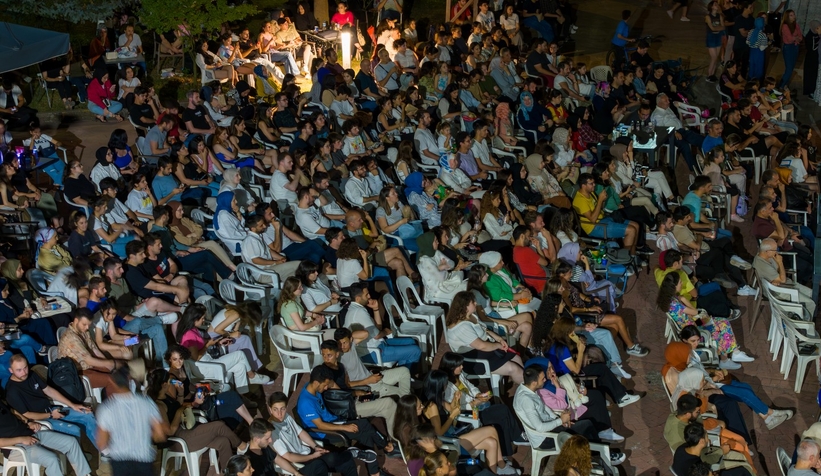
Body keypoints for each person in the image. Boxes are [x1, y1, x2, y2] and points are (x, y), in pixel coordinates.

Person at [513, 366, 627, 465]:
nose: (545, 380)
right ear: (534, 382)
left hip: (551, 427)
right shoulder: (526, 400)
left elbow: (544, 408)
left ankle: (599, 455)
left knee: (584, 426)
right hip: (545, 439)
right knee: (586, 425)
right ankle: (602, 456)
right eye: (542, 379)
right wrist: (560, 421)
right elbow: (540, 428)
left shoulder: (527, 388)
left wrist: (560, 420)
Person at [146, 368, 246, 472]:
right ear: (164, 385)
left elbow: (177, 406)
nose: (171, 383)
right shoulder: (159, 405)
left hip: (186, 431)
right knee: (219, 426)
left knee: (223, 442)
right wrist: (178, 413)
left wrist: (180, 393)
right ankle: (242, 446)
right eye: (169, 381)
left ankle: (229, 473)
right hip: (179, 441)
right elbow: (169, 431)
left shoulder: (165, 396)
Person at [297, 365, 398, 455]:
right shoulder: (306, 403)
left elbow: (338, 391)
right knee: (364, 425)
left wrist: (355, 394)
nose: (327, 388)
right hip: (323, 433)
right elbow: (320, 425)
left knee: (365, 435)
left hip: (335, 421)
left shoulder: (312, 386)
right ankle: (386, 446)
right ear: (316, 383)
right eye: (325, 385)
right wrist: (345, 427)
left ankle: (374, 470)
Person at [5, 354, 100, 449]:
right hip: (40, 420)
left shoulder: (32, 374)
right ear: (11, 370)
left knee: (86, 414)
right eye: (19, 370)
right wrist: (50, 415)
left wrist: (73, 405)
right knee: (74, 429)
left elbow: (49, 390)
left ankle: (105, 451)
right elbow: (26, 414)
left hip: (51, 410)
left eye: (25, 368)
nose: (24, 372)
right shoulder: (12, 391)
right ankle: (76, 458)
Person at [177, 304, 270, 393]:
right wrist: (208, 344)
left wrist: (218, 342)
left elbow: (200, 345)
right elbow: (195, 357)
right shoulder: (189, 335)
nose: (203, 320)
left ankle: (242, 398)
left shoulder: (193, 330)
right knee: (240, 355)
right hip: (204, 368)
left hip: (207, 362)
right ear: (194, 319)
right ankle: (252, 376)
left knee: (240, 367)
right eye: (202, 318)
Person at [268, 391, 361, 476]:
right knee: (331, 458)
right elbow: (289, 457)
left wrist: (315, 447)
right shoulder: (271, 431)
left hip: (308, 452)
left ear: (286, 407)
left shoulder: (286, 417)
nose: (279, 413)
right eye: (275, 409)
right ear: (270, 409)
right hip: (300, 462)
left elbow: (301, 432)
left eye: (282, 409)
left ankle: (351, 454)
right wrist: (312, 456)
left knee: (348, 463)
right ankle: (352, 453)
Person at [320, 340, 399, 438]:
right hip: (345, 409)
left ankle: (393, 440)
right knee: (388, 403)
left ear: (337, 354)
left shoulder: (340, 366)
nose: (326, 359)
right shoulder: (324, 373)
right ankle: (395, 440)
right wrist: (358, 393)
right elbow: (340, 395)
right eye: (323, 355)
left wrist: (360, 393)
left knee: (388, 410)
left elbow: (346, 386)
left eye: (329, 355)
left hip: (351, 401)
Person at [97, 366, 166, 476]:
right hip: (144, 461)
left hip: (120, 463)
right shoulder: (147, 402)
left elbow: (101, 443)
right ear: (130, 380)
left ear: (112, 381)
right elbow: (160, 435)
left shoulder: (106, 408)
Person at [446, 290, 524, 384]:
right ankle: (528, 389)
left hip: (486, 350)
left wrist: (498, 338)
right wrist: (498, 345)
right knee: (513, 368)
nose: (476, 303)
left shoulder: (471, 316)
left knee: (517, 358)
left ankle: (523, 382)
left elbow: (484, 329)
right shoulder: (462, 327)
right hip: (474, 359)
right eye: (473, 302)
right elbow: (481, 346)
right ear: (465, 306)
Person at [0, 397, 92, 476]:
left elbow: (12, 411)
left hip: (30, 434)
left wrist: (28, 422)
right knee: (51, 459)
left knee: (71, 442)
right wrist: (21, 439)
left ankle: (83, 474)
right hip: (15, 447)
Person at [345, 282, 422, 367]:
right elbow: (377, 335)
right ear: (358, 298)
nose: (369, 297)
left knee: (411, 341)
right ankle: (404, 375)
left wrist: (376, 309)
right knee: (415, 351)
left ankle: (402, 369)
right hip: (372, 353)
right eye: (366, 295)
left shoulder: (355, 309)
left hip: (378, 344)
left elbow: (378, 328)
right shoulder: (359, 312)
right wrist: (385, 331)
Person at [753, 238, 815, 315]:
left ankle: (804, 315)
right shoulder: (763, 265)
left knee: (813, 294)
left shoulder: (767, 256)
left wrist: (778, 274)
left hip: (786, 284)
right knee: (811, 303)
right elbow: (782, 280)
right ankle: (806, 323)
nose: (777, 252)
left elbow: (778, 272)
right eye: (775, 250)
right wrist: (780, 262)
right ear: (767, 251)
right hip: (779, 290)